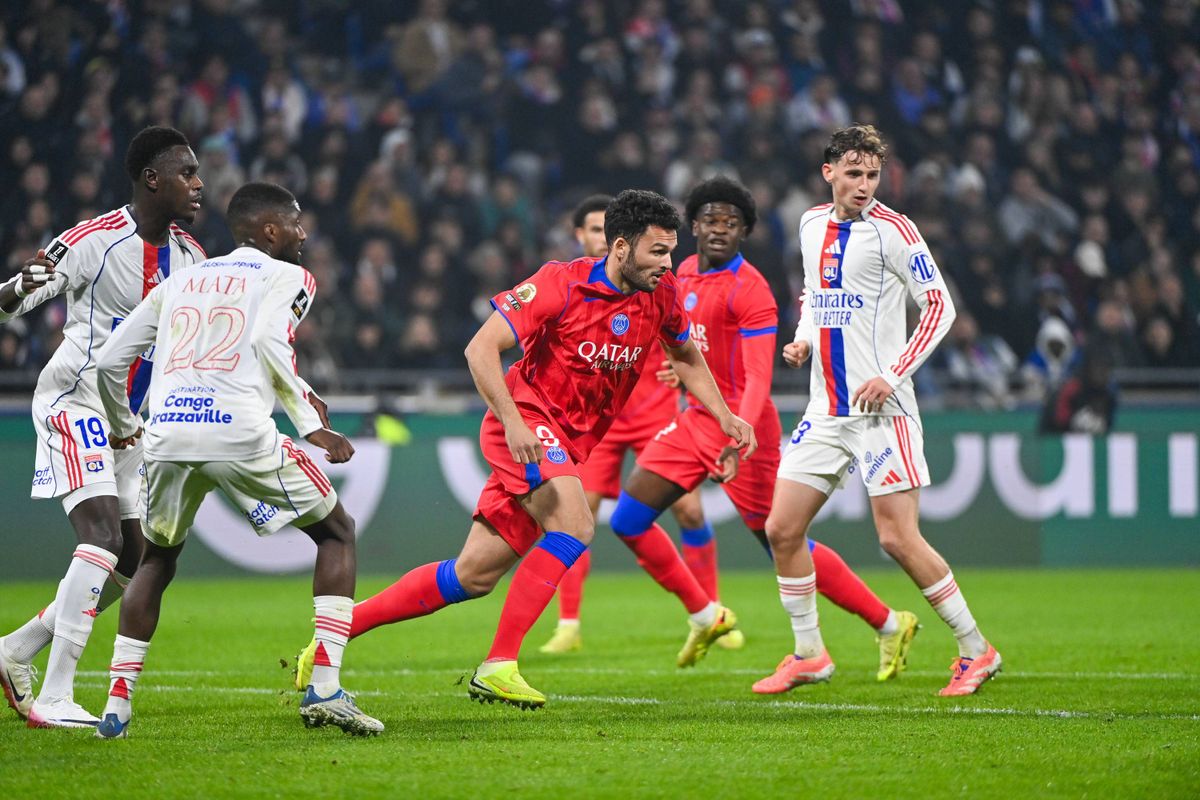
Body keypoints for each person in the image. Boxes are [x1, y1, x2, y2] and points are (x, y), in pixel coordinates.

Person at [295, 189, 756, 709]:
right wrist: (513, 422)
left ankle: (333, 637)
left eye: (671, 251)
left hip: (565, 441)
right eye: (657, 252)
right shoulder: (561, 282)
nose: (667, 264)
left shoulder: (662, 292)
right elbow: (480, 347)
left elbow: (687, 355)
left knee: (472, 575)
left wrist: (724, 413)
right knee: (577, 524)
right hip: (526, 426)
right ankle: (499, 665)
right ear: (622, 248)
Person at [91, 182, 381, 737]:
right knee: (337, 533)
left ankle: (117, 706)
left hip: (168, 434)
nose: (303, 234)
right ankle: (324, 688)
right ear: (269, 230)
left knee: (156, 559)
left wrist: (126, 427)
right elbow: (272, 342)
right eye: (295, 223)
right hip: (239, 432)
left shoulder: (182, 280)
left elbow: (109, 361)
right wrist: (312, 426)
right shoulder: (290, 276)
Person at [608, 175, 921, 680]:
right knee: (627, 520)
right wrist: (678, 368)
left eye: (731, 223)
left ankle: (887, 622)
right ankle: (707, 614)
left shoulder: (751, 290)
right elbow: (686, 343)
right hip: (695, 420)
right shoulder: (681, 272)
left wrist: (739, 434)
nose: (719, 229)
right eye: (711, 219)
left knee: (782, 540)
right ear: (693, 225)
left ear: (744, 233)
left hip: (745, 428)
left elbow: (758, 378)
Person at [755, 124, 1000, 697]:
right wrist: (803, 339)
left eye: (873, 175)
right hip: (827, 407)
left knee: (896, 538)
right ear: (830, 172)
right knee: (781, 529)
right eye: (855, 173)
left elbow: (939, 307)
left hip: (883, 411)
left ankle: (976, 649)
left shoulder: (896, 231)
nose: (865, 185)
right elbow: (816, 295)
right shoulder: (810, 223)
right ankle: (810, 654)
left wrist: (891, 373)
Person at [0, 127, 207, 728]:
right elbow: (13, 302)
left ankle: (17, 650)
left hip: (131, 422)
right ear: (151, 179)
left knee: (137, 553)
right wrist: (22, 285)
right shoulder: (93, 241)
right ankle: (56, 695)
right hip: (76, 403)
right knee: (102, 536)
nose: (198, 185)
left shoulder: (191, 258)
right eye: (186, 173)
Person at [538, 193, 715, 656]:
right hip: (596, 423)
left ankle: (711, 611)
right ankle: (568, 623)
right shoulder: (571, 284)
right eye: (593, 231)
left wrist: (678, 372)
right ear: (586, 237)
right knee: (577, 517)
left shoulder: (654, 284)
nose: (600, 238)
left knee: (690, 511)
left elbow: (684, 346)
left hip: (653, 411)